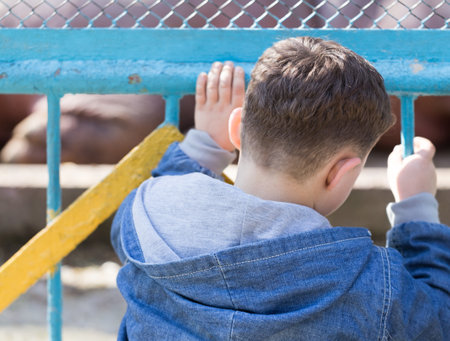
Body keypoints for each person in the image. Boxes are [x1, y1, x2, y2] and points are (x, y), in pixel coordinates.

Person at [111, 36, 449, 340]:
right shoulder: (373, 285)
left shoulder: (144, 214)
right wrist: (415, 210)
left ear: (236, 129)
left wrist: (203, 147)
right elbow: (437, 322)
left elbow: (137, 223)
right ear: (341, 174)